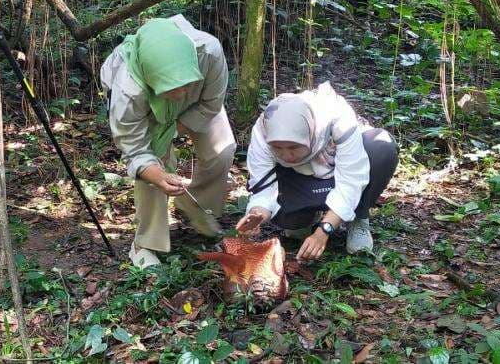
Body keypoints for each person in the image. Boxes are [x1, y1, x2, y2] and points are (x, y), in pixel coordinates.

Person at [100, 15, 236, 268]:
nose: (180, 93)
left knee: (222, 150)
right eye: (172, 88)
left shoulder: (209, 53)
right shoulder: (128, 92)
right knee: (154, 170)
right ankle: (145, 243)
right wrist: (156, 173)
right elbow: (134, 148)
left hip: (197, 107)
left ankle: (198, 209)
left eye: (186, 84)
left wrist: (173, 130)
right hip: (148, 110)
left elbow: (211, 104)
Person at [236, 82, 398, 261]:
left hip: (338, 175)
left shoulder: (337, 119)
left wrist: (324, 230)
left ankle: (358, 216)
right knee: (292, 224)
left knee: (381, 147)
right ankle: (303, 217)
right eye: (277, 148)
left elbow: (351, 181)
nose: (286, 155)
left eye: (293, 147)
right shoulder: (264, 130)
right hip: (299, 180)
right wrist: (258, 214)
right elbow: (263, 184)